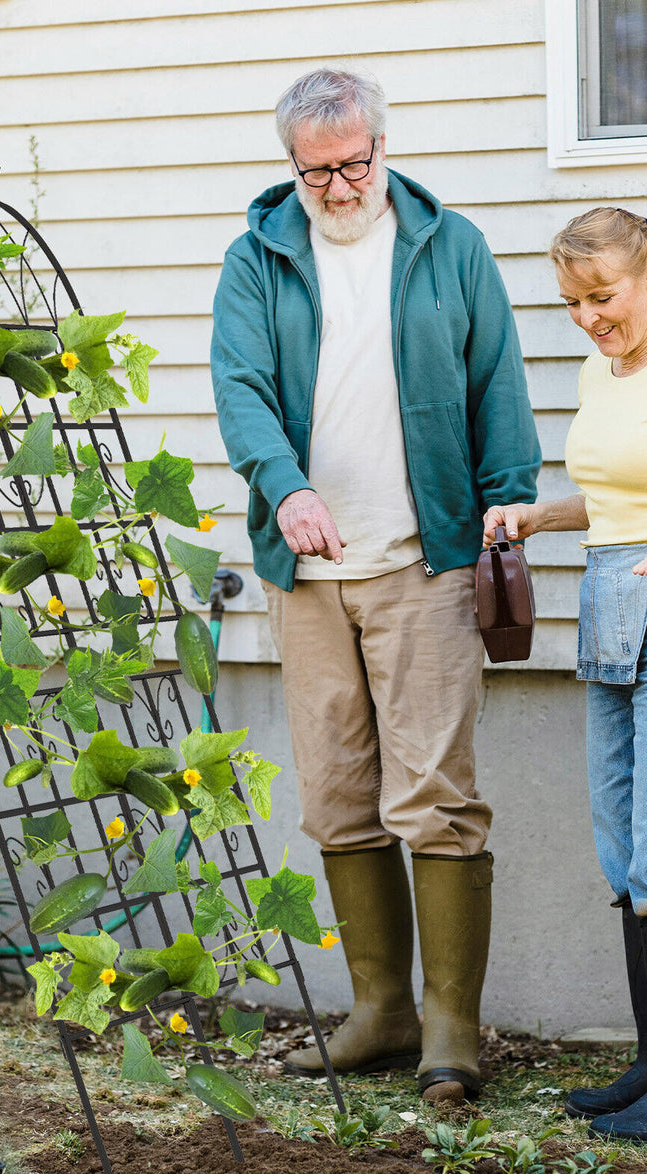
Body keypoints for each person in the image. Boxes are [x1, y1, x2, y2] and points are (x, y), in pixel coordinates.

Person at [210, 67, 541, 1104]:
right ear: (292, 168)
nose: (339, 188)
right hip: (309, 579)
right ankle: (381, 1014)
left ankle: (451, 1030)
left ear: (382, 149)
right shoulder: (259, 258)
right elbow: (240, 387)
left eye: (353, 164)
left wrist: (509, 500)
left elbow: (500, 383)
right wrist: (285, 484)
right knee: (339, 798)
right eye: (316, 172)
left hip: (425, 560)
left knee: (436, 799)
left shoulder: (453, 247)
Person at [483, 206, 647, 1139]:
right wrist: (537, 517)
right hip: (605, 612)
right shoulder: (602, 368)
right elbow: (621, 493)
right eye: (573, 301)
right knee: (621, 850)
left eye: (605, 294)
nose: (589, 315)